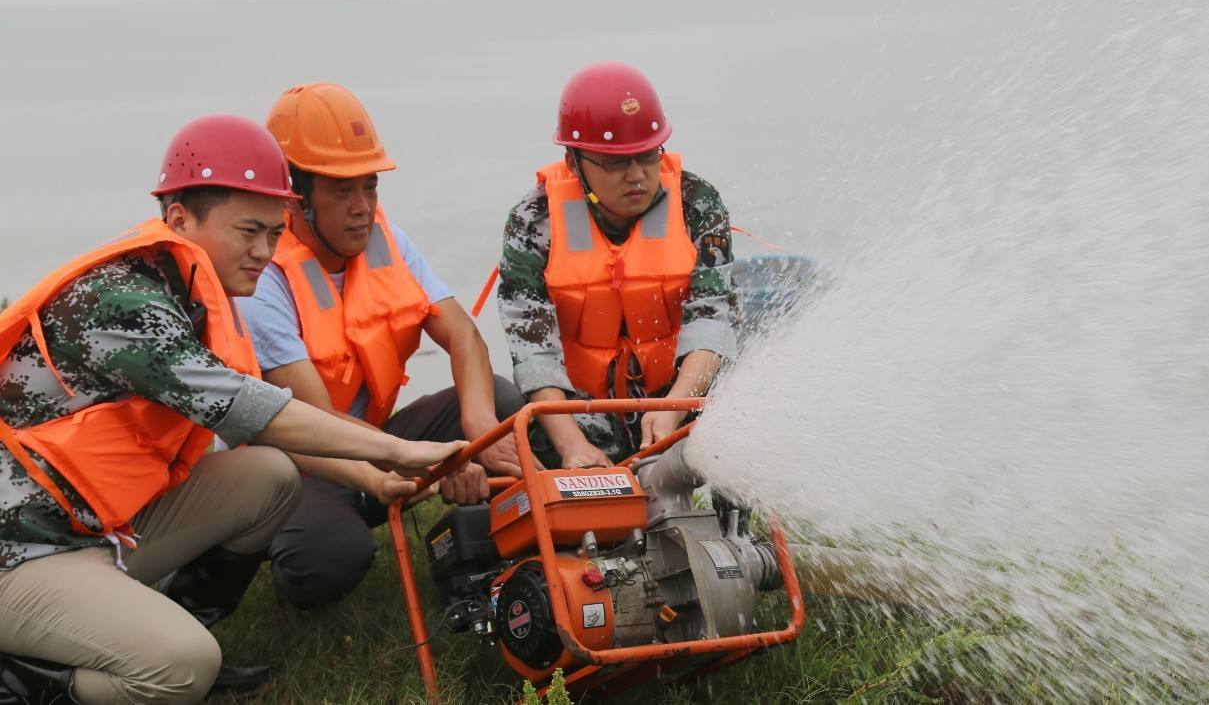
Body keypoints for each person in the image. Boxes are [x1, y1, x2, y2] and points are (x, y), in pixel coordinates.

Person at [0, 115, 474, 705]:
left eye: (275, 233)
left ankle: (159, 625)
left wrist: (381, 476)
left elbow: (270, 432)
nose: (264, 252)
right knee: (180, 670)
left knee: (268, 477)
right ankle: (25, 680)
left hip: (92, 528)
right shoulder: (125, 301)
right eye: (248, 231)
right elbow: (255, 408)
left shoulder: (190, 288)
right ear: (179, 218)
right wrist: (399, 449)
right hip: (22, 550)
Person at [238, 83, 524, 608]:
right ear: (295, 193)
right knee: (328, 557)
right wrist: (432, 460)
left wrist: (478, 431)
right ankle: (265, 555)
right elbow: (315, 420)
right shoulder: (262, 273)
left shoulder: (383, 238)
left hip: (380, 445)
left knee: (507, 408)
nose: (362, 208)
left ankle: (491, 551)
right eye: (342, 191)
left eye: (370, 188)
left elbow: (463, 335)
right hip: (301, 464)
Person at [497, 62, 738, 468]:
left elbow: (713, 316)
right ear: (575, 162)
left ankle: (739, 528)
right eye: (614, 162)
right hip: (579, 414)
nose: (636, 176)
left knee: (735, 410)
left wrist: (674, 408)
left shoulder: (698, 203)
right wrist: (572, 446)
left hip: (681, 395)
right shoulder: (533, 222)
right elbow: (533, 349)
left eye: (646, 156)